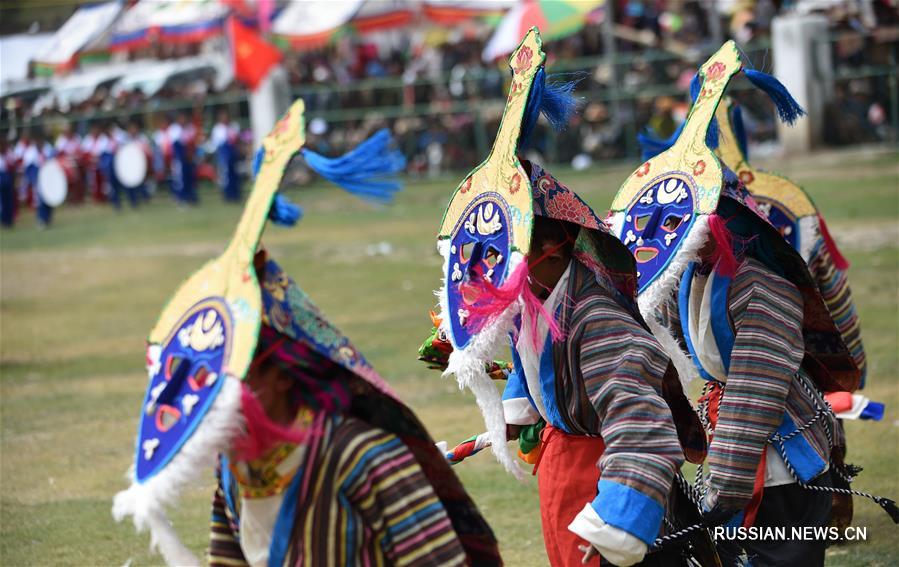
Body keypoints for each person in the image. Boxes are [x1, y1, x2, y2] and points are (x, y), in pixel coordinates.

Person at [114, 99, 499, 567]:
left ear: (282, 372)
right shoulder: (235, 468)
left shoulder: (365, 456)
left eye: (238, 373)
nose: (222, 393)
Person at [431, 30, 705, 567]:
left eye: (510, 243)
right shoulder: (535, 299)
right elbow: (537, 372)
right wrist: (505, 420)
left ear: (553, 242)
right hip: (563, 468)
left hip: (602, 479)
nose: (492, 261)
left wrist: (623, 512)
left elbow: (639, 417)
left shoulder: (597, 315)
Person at [608, 42, 872, 566]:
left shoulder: (760, 284)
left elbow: (755, 395)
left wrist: (719, 491)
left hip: (784, 466)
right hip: (735, 446)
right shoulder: (691, 276)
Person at [209, 109, 242, 202]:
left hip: (233, 155)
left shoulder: (234, 126)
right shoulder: (217, 129)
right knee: (225, 177)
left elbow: (237, 141)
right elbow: (215, 144)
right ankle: (227, 195)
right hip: (224, 156)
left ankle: (236, 195)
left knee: (235, 175)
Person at [0, 136, 15, 227]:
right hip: (1, 177)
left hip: (8, 178)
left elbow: (13, 165)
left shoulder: (8, 153)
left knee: (9, 201)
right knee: (2, 201)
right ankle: (4, 220)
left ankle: (9, 220)